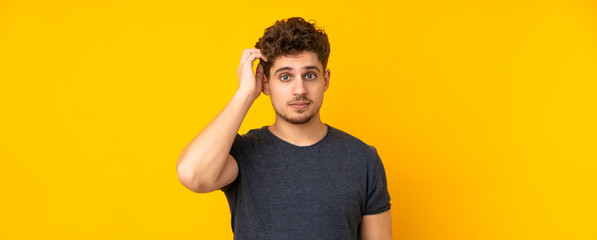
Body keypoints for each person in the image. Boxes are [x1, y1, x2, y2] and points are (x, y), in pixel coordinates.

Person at [176, 17, 392, 239]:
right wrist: (245, 94)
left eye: (310, 75)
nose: (300, 89)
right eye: (285, 77)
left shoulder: (363, 159)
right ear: (266, 84)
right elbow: (192, 174)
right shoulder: (241, 155)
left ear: (325, 80)